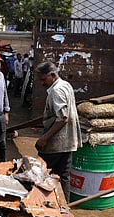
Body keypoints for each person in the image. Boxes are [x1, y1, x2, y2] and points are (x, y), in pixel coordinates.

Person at [34, 61, 82, 202]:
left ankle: (43, 205)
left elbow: (62, 118)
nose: (42, 83)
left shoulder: (56, 91)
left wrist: (44, 138)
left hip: (56, 142)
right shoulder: (65, 85)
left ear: (53, 75)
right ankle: (64, 206)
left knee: (41, 174)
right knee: (63, 176)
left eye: (44, 80)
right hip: (67, 141)